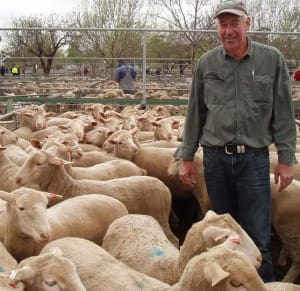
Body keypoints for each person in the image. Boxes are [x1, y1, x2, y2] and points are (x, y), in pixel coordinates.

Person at [173, 0, 297, 283]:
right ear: (217, 28)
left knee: (256, 236)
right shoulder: (207, 62)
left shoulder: (271, 59)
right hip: (215, 159)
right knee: (222, 230)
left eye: (234, 23)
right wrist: (187, 155)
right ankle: (225, 286)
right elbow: (196, 111)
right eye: (223, 24)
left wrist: (287, 158)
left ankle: (260, 285)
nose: (228, 30)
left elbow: (283, 111)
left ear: (247, 24)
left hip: (253, 159)